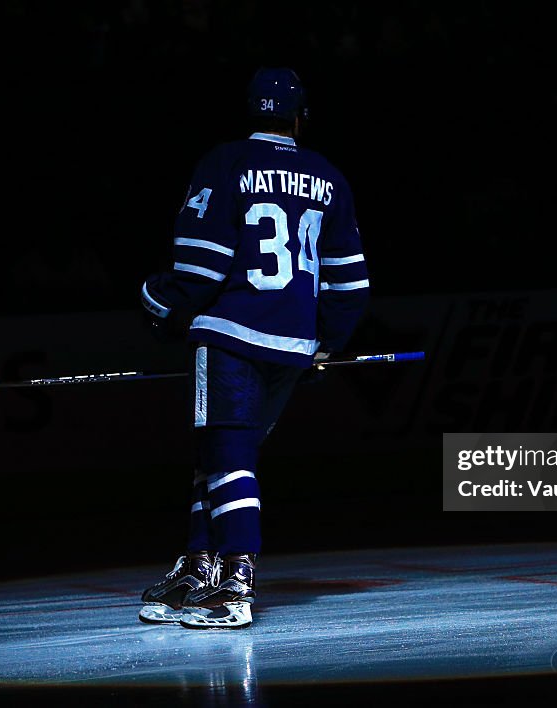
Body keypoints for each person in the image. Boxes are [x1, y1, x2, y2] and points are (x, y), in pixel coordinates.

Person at [137, 67, 370, 629]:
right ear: (298, 117)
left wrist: (158, 305)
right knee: (221, 459)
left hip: (231, 338)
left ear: (250, 111)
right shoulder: (328, 176)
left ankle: (235, 583)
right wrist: (325, 345)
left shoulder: (226, 162)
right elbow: (351, 283)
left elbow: (201, 265)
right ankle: (200, 567)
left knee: (228, 457)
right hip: (291, 345)